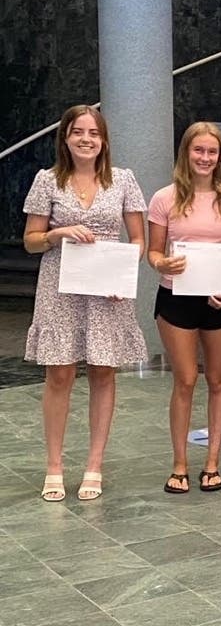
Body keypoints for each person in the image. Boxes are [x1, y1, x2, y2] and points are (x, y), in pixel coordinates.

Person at [22, 104, 148, 501]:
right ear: (65, 137)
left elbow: (139, 240)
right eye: (78, 131)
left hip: (108, 292)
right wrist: (58, 233)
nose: (86, 139)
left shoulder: (123, 180)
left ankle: (95, 465)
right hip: (60, 289)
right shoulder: (47, 181)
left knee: (103, 373)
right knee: (59, 375)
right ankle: (54, 466)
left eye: (93, 133)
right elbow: (30, 241)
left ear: (104, 140)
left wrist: (122, 275)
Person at [147, 122, 221, 494]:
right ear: (186, 153)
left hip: (220, 300)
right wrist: (161, 263)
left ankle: (212, 462)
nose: (205, 158)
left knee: (218, 379)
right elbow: (153, 252)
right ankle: (179, 464)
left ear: (220, 157)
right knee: (185, 380)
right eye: (199, 150)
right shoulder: (164, 198)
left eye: (212, 152)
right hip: (176, 298)